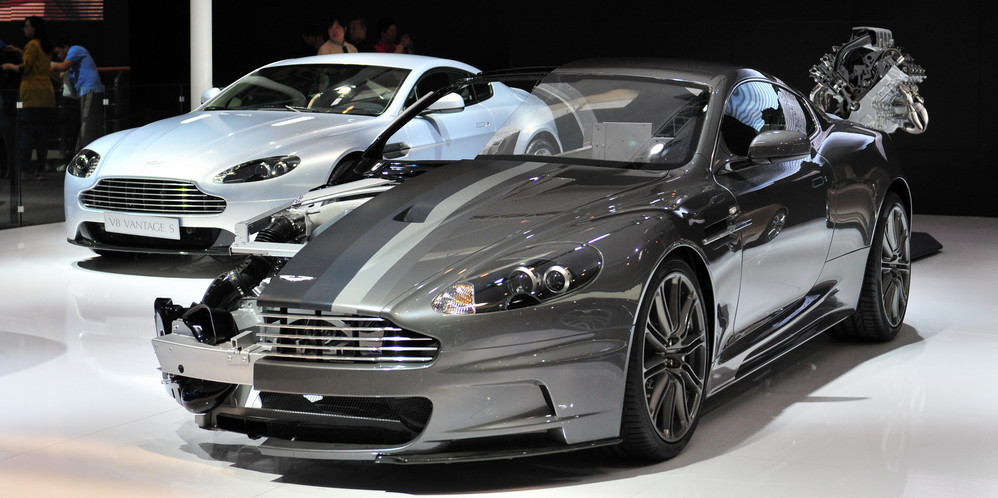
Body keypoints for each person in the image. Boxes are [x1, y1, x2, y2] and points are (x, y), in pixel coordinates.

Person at [1, 16, 55, 181]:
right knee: (42, 136)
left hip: (32, 94)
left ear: (34, 28)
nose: (24, 29)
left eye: (27, 26)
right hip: (47, 94)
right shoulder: (46, 46)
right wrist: (19, 51)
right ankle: (40, 170)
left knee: (27, 134)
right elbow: (36, 60)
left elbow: (25, 68)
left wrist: (8, 66)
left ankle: (24, 170)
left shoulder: (31, 45)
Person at [50, 39, 105, 154]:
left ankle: (84, 153)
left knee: (86, 124)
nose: (59, 56)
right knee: (85, 124)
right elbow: (60, 76)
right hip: (85, 92)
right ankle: (80, 152)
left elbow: (63, 66)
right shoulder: (72, 63)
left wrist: (46, 63)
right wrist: (48, 70)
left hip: (90, 89)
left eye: (59, 52)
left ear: (65, 47)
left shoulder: (75, 49)